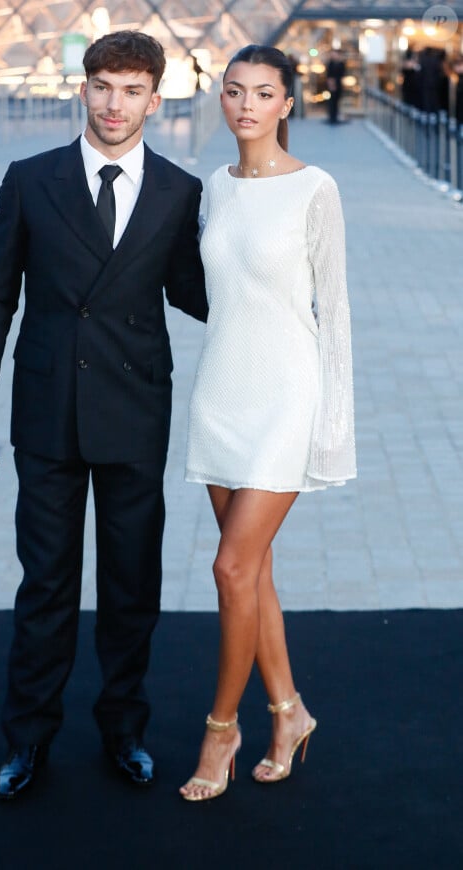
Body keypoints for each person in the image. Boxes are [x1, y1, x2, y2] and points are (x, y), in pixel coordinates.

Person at [0, 30, 207, 800]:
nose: (113, 103)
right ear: (83, 88)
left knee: (132, 584)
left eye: (132, 90)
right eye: (102, 85)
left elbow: (196, 296)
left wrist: (275, 276)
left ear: (155, 100)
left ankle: (123, 730)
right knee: (47, 585)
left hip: (135, 411)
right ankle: (28, 737)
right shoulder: (31, 180)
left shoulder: (179, 190)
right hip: (47, 412)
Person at [180, 44, 356, 802]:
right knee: (255, 573)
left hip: (288, 395)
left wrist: (331, 424)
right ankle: (290, 713)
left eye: (263, 93)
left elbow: (335, 314)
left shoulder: (317, 188)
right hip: (222, 391)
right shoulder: (214, 188)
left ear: (288, 104)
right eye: (233, 91)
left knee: (228, 568)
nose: (246, 105)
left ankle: (223, 730)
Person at [326, 47, 346, 124]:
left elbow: (342, 74)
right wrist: (331, 84)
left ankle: (335, 116)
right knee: (332, 102)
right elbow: (329, 76)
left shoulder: (341, 63)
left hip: (338, 84)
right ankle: (332, 117)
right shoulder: (330, 64)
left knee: (336, 101)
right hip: (332, 85)